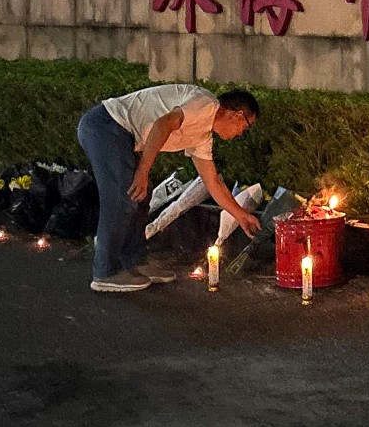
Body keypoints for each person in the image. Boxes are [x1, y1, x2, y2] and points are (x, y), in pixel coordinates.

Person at [77, 84, 262, 292]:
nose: (240, 134)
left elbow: (212, 181)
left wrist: (241, 215)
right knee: (124, 196)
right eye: (245, 127)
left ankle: (135, 262)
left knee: (140, 198)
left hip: (120, 134)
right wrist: (143, 171)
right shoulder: (207, 105)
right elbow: (163, 124)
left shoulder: (202, 135)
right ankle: (105, 272)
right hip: (105, 126)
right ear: (237, 115)